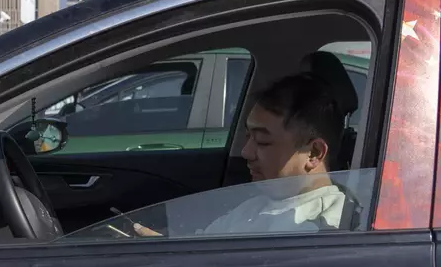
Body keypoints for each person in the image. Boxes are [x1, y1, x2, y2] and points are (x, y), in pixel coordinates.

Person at [134, 73, 347, 237]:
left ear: (313, 153)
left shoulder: (329, 227)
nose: (246, 152)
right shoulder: (253, 206)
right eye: (248, 137)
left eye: (263, 141)